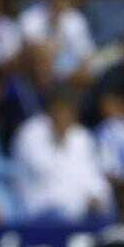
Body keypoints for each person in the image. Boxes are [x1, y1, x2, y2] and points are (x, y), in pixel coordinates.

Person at [12, 87, 111, 220]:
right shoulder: (31, 131)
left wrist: (96, 196)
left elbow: (93, 174)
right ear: (50, 110)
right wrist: (58, 140)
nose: (64, 115)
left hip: (78, 208)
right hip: (40, 206)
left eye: (69, 111)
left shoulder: (81, 136)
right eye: (60, 110)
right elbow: (43, 172)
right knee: (59, 211)